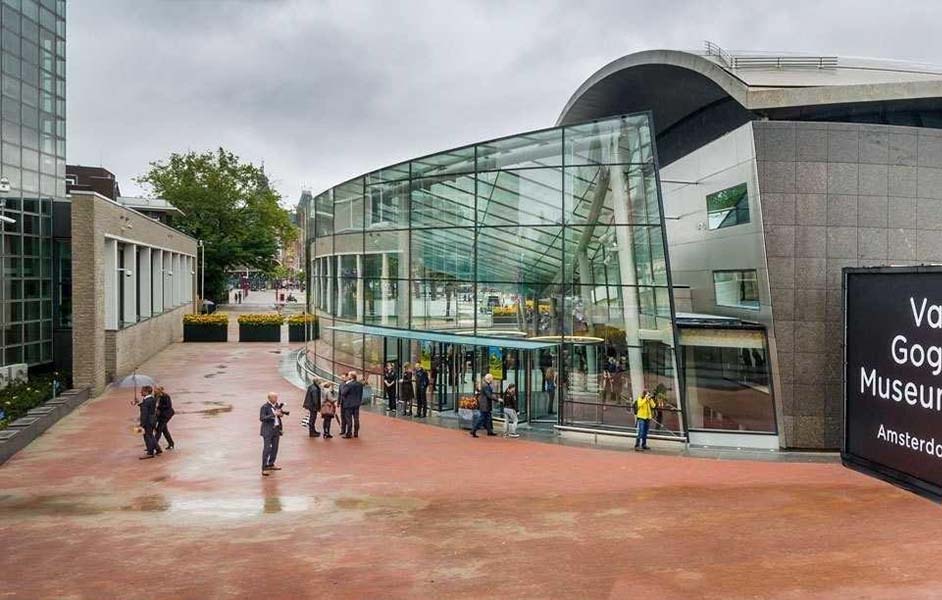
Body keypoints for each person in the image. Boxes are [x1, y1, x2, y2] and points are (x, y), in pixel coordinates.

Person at [260, 392, 285, 475]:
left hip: (276, 430)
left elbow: (279, 416)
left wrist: (281, 414)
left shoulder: (277, 405)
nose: (276, 399)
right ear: (269, 398)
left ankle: (271, 463)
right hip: (267, 431)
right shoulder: (264, 407)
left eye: (276, 397)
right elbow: (262, 418)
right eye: (274, 397)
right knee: (267, 449)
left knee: (275, 448)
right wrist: (273, 414)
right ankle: (264, 467)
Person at [138, 385, 160, 459]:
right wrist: (139, 404)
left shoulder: (146, 401)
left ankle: (150, 452)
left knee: (147, 436)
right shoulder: (151, 399)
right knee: (150, 435)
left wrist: (142, 424)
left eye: (142, 391)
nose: (141, 392)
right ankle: (157, 448)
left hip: (148, 421)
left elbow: (144, 413)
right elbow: (147, 406)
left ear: (146, 392)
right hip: (153, 419)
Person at [339, 371, 364, 438]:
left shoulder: (348, 384)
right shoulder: (360, 384)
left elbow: (343, 393)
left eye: (349, 375)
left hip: (348, 404)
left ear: (351, 376)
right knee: (356, 419)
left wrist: (345, 385)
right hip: (356, 404)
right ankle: (356, 433)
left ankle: (349, 433)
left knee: (349, 419)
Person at [153, 385, 175, 450]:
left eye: (156, 389)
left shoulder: (166, 396)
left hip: (166, 415)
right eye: (154, 389)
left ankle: (153, 445)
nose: (154, 390)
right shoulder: (155, 396)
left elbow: (168, 405)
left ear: (160, 390)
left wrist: (159, 407)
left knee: (159, 429)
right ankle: (171, 443)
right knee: (164, 430)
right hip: (160, 415)